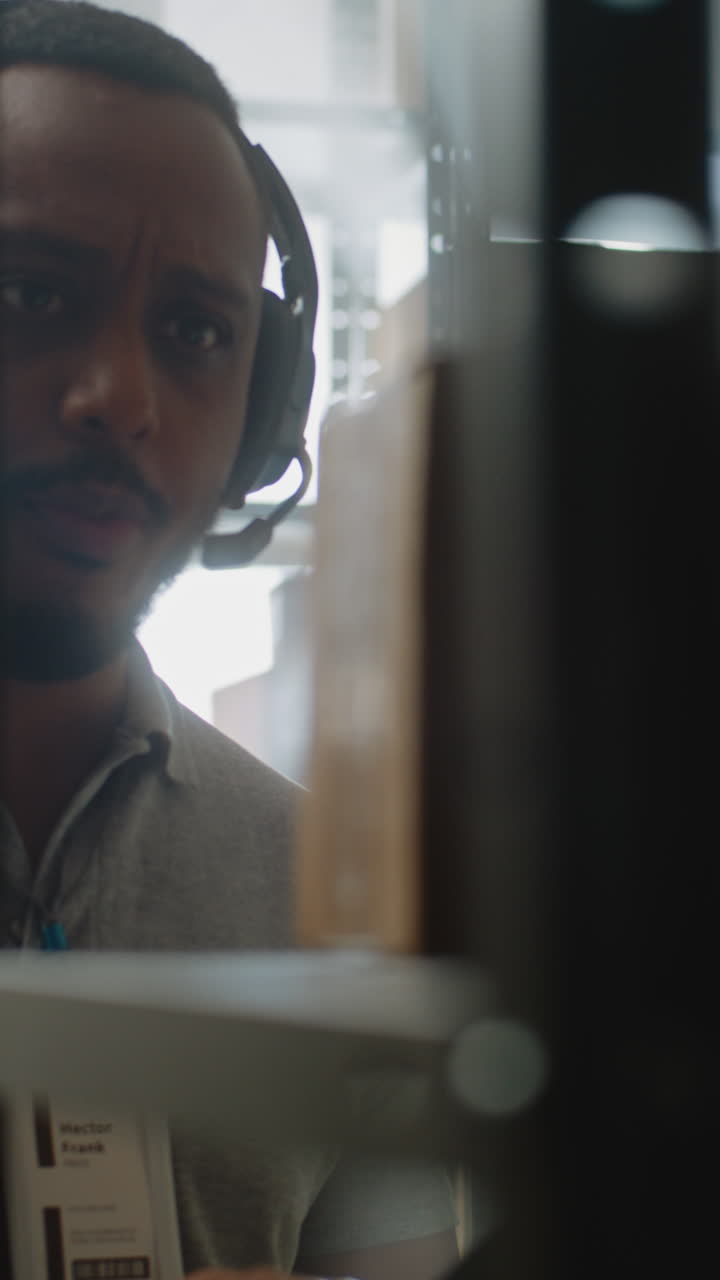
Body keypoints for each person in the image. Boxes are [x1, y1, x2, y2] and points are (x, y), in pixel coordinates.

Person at [0, 2, 460, 1278]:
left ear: (261, 411)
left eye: (197, 330)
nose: (122, 398)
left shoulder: (333, 905)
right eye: (31, 290)